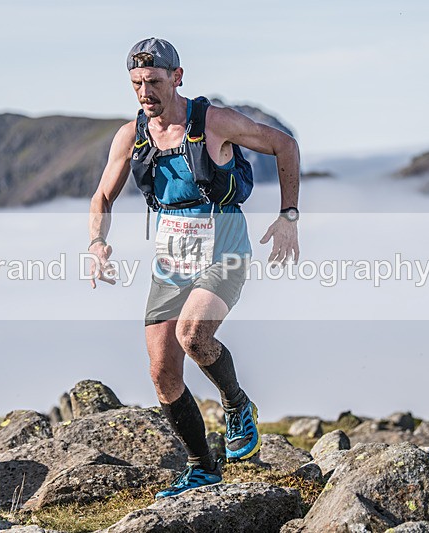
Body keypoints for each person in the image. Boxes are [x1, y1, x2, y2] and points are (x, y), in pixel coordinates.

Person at [88, 37, 300, 498]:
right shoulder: (132, 135)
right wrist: (97, 241)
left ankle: (237, 405)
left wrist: (288, 216)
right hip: (172, 257)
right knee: (162, 370)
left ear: (177, 77)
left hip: (224, 247)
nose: (145, 92)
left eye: (154, 81)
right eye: (137, 83)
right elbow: (102, 195)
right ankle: (202, 467)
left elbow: (284, 146)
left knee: (193, 335)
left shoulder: (213, 122)